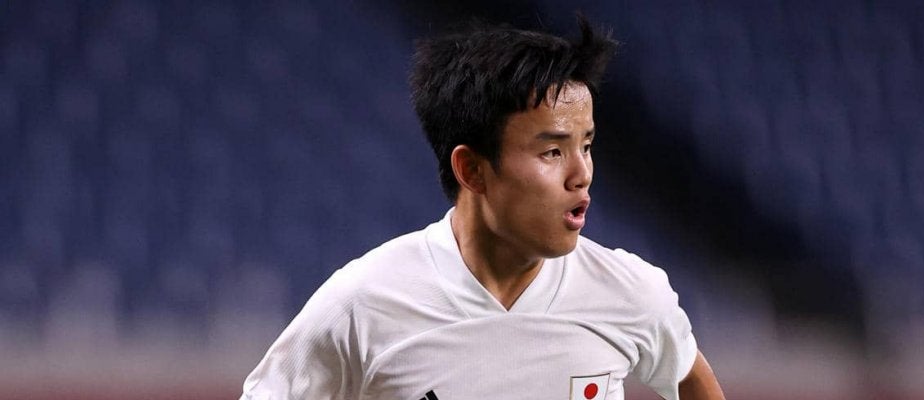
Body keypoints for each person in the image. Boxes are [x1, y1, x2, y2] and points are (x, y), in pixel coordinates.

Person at [241, 16, 725, 400]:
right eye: (552, 151)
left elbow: (688, 374)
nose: (582, 173)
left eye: (587, 145)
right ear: (471, 169)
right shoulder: (362, 305)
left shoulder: (629, 291)